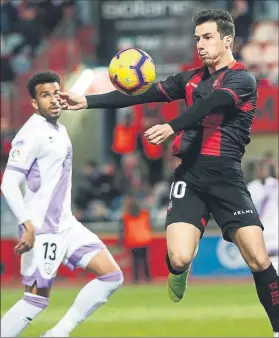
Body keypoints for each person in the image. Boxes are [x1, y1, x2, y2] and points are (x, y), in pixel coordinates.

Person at [57, 9, 279, 336]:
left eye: (207, 37)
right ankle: (179, 271)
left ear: (227, 39)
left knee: (259, 259)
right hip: (189, 178)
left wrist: (172, 126)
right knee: (177, 256)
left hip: (228, 180)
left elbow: (212, 103)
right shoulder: (189, 78)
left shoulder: (241, 79)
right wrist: (86, 101)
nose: (200, 45)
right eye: (197, 39)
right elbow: (141, 94)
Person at [0, 71, 123, 337]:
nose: (53, 99)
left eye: (56, 93)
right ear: (34, 103)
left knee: (112, 276)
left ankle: (58, 333)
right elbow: (8, 183)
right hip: (42, 228)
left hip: (66, 225)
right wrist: (26, 224)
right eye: (45, 95)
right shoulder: (30, 134)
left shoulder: (60, 129)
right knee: (35, 301)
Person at [248, 161, 279, 273]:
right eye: (260, 169)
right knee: (260, 259)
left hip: (274, 227)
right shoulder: (252, 187)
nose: (261, 172)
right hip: (258, 227)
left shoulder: (274, 185)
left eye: (265, 169)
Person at [120, 195, 152, 283]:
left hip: (133, 241)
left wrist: (121, 242)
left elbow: (122, 231)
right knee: (145, 260)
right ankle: (148, 278)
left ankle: (136, 279)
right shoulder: (145, 214)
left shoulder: (126, 216)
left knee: (135, 261)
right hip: (144, 239)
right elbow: (149, 225)